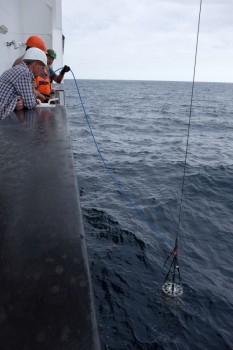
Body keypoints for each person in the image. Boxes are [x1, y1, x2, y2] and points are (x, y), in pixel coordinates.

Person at [0, 48, 47, 120]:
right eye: (42, 67)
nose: (42, 71)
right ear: (35, 65)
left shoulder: (19, 69)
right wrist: (29, 101)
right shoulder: (24, 73)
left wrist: (22, 101)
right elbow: (30, 103)